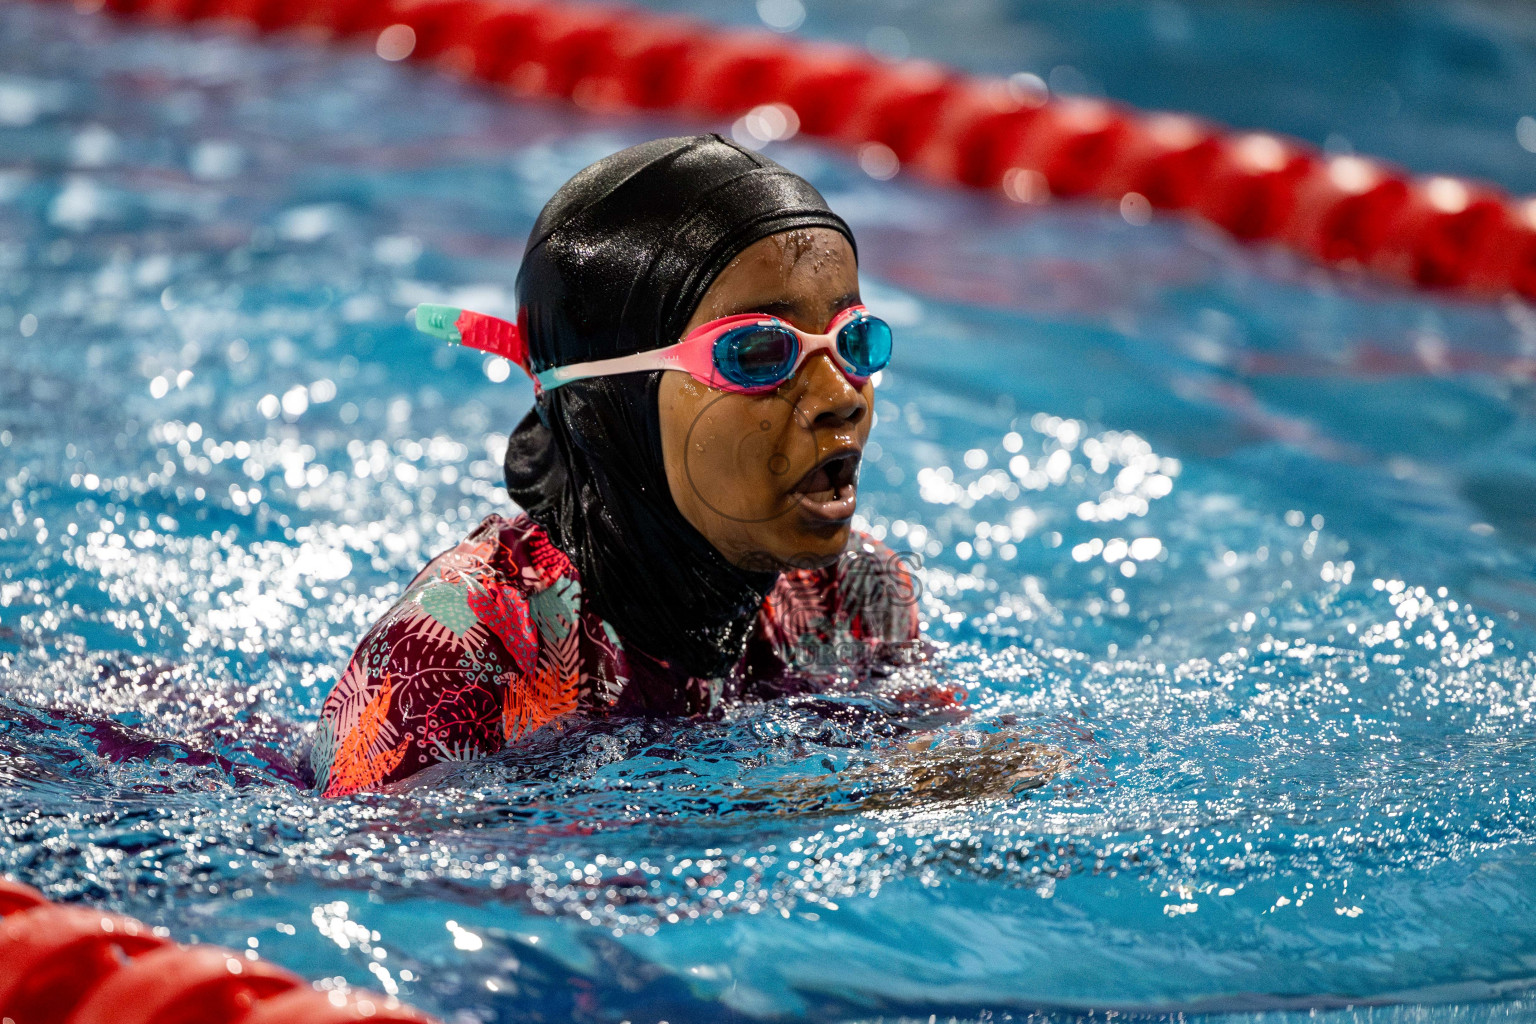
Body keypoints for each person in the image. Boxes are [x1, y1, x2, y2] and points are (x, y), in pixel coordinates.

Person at [309, 134, 923, 799]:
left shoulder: (853, 597)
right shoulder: (462, 654)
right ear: (608, 407)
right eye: (758, 354)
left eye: (854, 340)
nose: (841, 399)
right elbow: (369, 876)